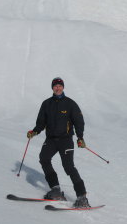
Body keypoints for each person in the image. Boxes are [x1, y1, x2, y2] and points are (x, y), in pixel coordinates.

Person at [26, 77, 89, 207]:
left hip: (65, 140)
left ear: (63, 87)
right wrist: (34, 132)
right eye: (55, 86)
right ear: (52, 88)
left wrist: (80, 137)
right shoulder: (46, 104)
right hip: (51, 140)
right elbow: (41, 122)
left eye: (60, 86)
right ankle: (55, 190)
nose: (58, 88)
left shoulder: (70, 103)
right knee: (44, 158)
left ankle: (82, 197)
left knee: (69, 167)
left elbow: (79, 122)